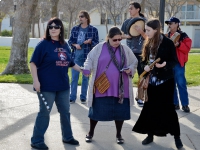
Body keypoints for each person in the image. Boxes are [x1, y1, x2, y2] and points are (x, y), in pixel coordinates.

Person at [30, 17, 82, 150]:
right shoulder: (43, 44)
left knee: (65, 112)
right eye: (50, 26)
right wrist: (36, 81)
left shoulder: (65, 45)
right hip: (46, 86)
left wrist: (82, 70)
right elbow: (33, 63)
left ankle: (67, 137)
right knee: (44, 112)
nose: (53, 29)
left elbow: (70, 62)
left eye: (56, 26)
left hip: (63, 86)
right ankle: (36, 140)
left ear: (61, 29)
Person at [132, 19, 183, 149]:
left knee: (169, 110)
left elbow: (174, 61)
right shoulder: (148, 43)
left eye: (148, 30)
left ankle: (177, 138)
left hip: (166, 81)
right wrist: (145, 67)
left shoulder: (167, 43)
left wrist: (165, 65)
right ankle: (150, 135)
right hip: (152, 82)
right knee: (150, 109)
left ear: (156, 30)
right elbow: (143, 60)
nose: (146, 33)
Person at [82, 26, 138, 144]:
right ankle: (90, 132)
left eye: (119, 39)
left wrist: (130, 69)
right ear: (108, 38)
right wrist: (87, 68)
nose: (117, 42)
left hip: (120, 89)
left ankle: (118, 134)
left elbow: (134, 62)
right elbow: (89, 59)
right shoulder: (99, 48)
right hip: (101, 86)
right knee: (96, 111)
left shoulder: (125, 49)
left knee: (120, 113)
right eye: (115, 40)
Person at [68, 10, 99, 104]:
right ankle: (72, 97)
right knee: (74, 78)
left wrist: (90, 42)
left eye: (82, 16)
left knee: (86, 78)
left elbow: (97, 44)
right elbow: (70, 42)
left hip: (87, 58)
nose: (80, 18)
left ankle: (83, 97)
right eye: (79, 16)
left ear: (86, 18)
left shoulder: (93, 30)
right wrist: (75, 45)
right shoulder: (75, 29)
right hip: (76, 57)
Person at [121, 2, 146, 107]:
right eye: (129, 9)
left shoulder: (145, 22)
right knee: (127, 74)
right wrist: (127, 36)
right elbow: (120, 35)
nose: (129, 10)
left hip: (141, 52)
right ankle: (125, 96)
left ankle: (140, 97)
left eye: (131, 8)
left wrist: (141, 32)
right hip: (129, 52)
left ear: (138, 9)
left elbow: (148, 38)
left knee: (142, 75)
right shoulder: (127, 22)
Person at [165, 17, 192, 113]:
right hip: (169, 64)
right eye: (168, 23)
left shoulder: (183, 36)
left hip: (179, 64)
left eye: (171, 23)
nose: (169, 25)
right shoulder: (167, 36)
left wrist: (179, 45)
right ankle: (175, 103)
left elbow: (187, 49)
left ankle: (185, 105)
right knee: (171, 85)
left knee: (181, 84)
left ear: (177, 24)